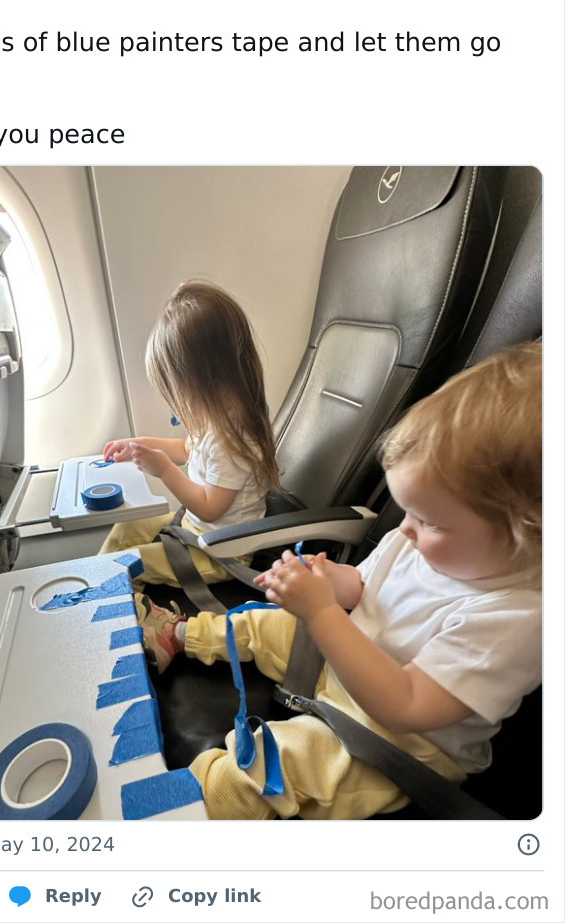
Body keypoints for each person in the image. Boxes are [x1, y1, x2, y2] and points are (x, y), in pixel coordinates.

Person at [137, 343, 542, 819]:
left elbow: (405, 705)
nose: (405, 530)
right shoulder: (415, 541)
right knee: (270, 624)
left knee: (280, 759)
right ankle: (177, 635)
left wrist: (324, 613)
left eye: (431, 522)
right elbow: (362, 587)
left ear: (531, 532)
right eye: (407, 511)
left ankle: (186, 810)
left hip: (391, 744)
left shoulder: (516, 620)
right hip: (348, 668)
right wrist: (328, 582)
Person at [100, 280, 280, 589]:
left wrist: (164, 471)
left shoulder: (233, 440)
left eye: (178, 389)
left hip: (221, 553)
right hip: (197, 531)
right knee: (124, 530)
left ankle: (142, 623)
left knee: (125, 565)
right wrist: (137, 445)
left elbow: (210, 507)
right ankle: (93, 588)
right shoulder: (216, 419)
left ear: (201, 380)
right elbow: (186, 449)